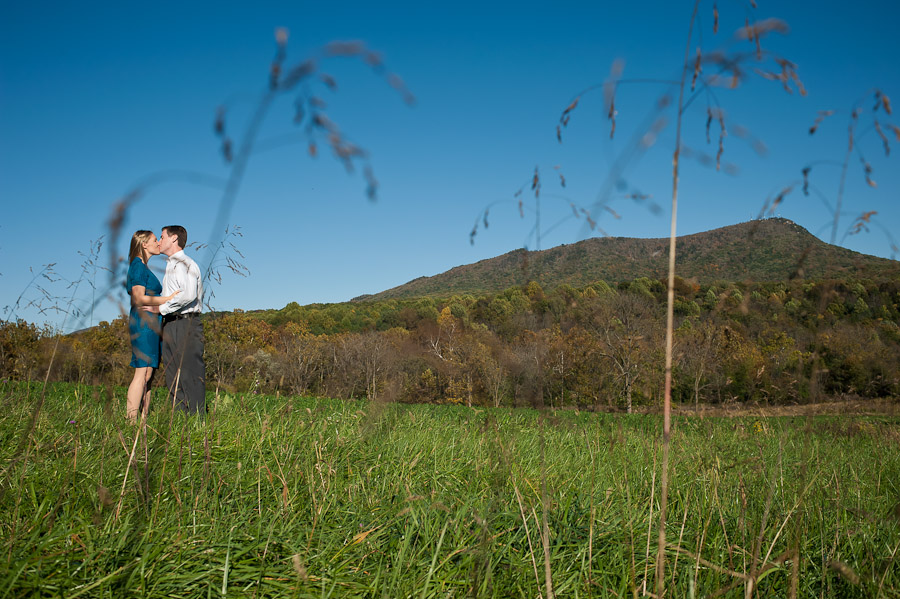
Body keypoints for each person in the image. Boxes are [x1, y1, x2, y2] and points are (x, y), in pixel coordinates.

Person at [125, 230, 180, 421]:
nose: (158, 243)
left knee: (148, 373)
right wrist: (167, 299)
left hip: (151, 322)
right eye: (155, 240)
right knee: (142, 371)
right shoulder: (138, 266)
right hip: (143, 322)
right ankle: (131, 420)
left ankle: (143, 419)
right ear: (144, 245)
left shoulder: (142, 266)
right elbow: (138, 297)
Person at [158, 225, 206, 414]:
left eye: (162, 237)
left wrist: (160, 308)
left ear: (174, 238)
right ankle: (179, 421)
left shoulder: (185, 264)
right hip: (170, 324)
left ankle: (196, 421)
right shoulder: (170, 265)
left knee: (190, 374)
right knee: (172, 375)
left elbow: (187, 295)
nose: (159, 241)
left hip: (186, 323)